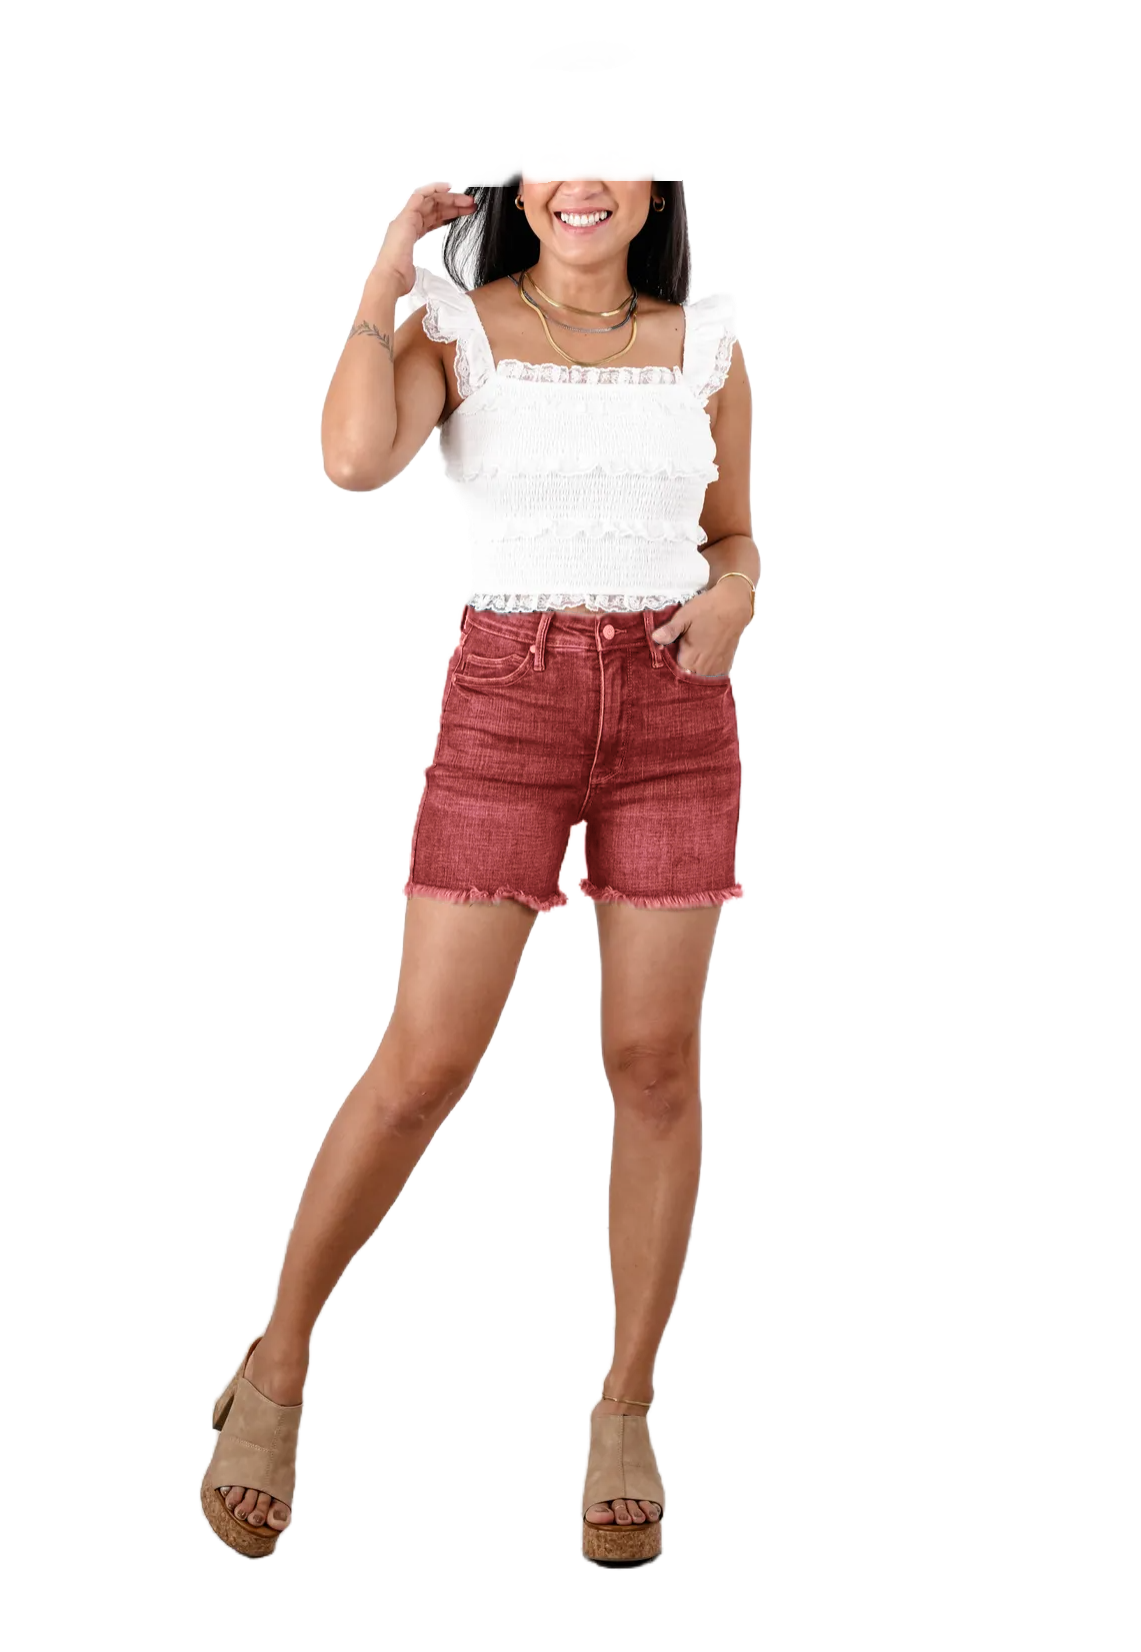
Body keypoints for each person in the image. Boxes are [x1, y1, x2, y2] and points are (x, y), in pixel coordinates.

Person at [198, 159, 759, 1567]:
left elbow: (732, 536)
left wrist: (740, 594)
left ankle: (624, 1411)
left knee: (655, 1066)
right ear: (522, 178)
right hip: (511, 701)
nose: (585, 177)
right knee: (424, 1065)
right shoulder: (453, 325)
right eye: (555, 151)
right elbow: (353, 458)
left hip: (676, 711)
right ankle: (275, 1369)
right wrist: (387, 271)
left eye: (616, 150)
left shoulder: (706, 341)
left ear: (656, 183)